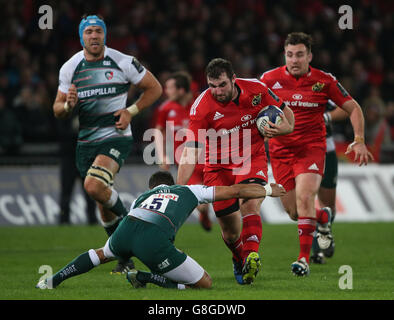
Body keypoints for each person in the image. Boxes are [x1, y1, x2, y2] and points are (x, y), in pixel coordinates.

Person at [35, 171, 286, 290]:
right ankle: (145, 277)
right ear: (171, 184)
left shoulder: (141, 197)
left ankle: (51, 281)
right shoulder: (187, 190)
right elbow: (234, 191)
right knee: (204, 284)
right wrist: (267, 190)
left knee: (99, 254)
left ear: (152, 186)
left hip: (126, 231)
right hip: (153, 241)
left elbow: (135, 219)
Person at [52, 14, 162, 273]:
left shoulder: (122, 61)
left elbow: (154, 88)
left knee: (93, 185)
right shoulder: (70, 67)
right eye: (89, 32)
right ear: (82, 36)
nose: (94, 36)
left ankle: (133, 225)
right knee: (103, 204)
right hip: (85, 142)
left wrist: (130, 111)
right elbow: (57, 109)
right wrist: (68, 105)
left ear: (105, 35)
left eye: (98, 31)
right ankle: (124, 258)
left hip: (115, 137)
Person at [260, 32, 374, 276]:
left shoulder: (324, 81)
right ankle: (323, 217)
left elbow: (353, 107)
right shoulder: (268, 80)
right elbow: (250, 106)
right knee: (294, 212)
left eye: (300, 54)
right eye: (290, 55)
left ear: (309, 56)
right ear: (285, 55)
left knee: (305, 198)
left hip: (311, 149)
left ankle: (304, 259)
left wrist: (359, 140)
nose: (294, 60)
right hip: (280, 152)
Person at [176, 58, 295, 285]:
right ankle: (239, 256)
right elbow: (190, 151)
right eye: (212, 86)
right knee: (230, 231)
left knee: (250, 203)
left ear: (233, 79)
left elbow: (287, 113)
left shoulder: (257, 89)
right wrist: (180, 188)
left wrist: (285, 129)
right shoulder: (201, 107)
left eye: (222, 85)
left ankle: (251, 254)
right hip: (217, 167)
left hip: (251, 158)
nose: (217, 91)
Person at [154, 71, 211, 231]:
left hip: (210, 158)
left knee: (217, 200)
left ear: (181, 90)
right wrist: (161, 155)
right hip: (187, 162)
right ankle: (203, 214)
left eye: (170, 88)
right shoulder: (165, 109)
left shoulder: (200, 104)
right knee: (201, 204)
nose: (167, 92)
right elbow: (159, 131)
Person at [310, 101, 348, 264]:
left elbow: (345, 108)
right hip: (299, 151)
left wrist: (326, 116)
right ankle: (316, 251)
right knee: (302, 203)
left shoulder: (321, 83)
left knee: (328, 206)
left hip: (326, 150)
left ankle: (322, 233)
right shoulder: (278, 82)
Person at [56, 113, 97, 225]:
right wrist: (76, 131)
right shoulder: (65, 115)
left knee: (89, 191)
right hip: (69, 159)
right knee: (66, 192)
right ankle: (64, 219)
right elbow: (60, 133)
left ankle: (92, 218)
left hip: (84, 159)